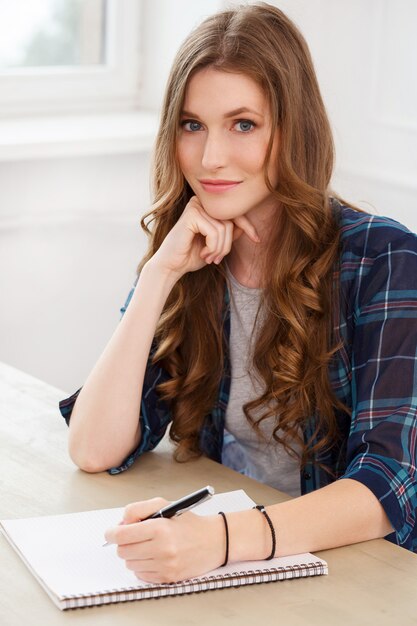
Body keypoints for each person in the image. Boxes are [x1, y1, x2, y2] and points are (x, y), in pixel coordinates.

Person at [59, 2, 417, 583]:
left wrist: (221, 542)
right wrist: (158, 278)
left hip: (350, 576)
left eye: (243, 124)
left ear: (293, 130)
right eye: (192, 125)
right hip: (234, 572)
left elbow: (389, 484)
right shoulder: (189, 253)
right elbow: (94, 448)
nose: (210, 158)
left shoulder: (385, 261)